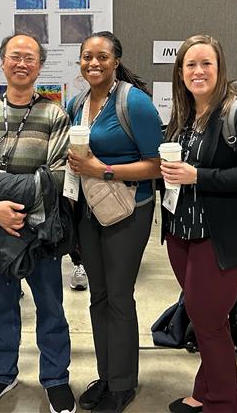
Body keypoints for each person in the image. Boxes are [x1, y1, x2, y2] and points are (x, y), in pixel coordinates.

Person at [0, 33, 75, 413]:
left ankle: (56, 378)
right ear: (3, 62)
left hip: (42, 230)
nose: (21, 63)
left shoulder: (55, 115)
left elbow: (57, 175)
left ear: (40, 65)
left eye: (29, 57)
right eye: (14, 56)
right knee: (0, 304)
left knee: (51, 306)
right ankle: (0, 373)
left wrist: (3, 183)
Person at [159, 35, 237, 413]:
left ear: (220, 67)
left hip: (221, 236)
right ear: (180, 72)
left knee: (207, 321)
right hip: (182, 232)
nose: (198, 71)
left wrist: (199, 176)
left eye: (206, 63)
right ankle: (204, 391)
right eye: (190, 65)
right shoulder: (184, 113)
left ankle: (223, 404)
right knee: (209, 318)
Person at [66, 31, 163, 413]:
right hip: (90, 212)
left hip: (128, 211)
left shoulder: (133, 102)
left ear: (116, 61)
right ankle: (106, 376)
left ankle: (123, 384)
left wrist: (101, 170)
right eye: (87, 56)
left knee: (119, 297)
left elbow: (155, 166)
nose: (94, 63)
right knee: (98, 297)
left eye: (102, 57)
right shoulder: (78, 103)